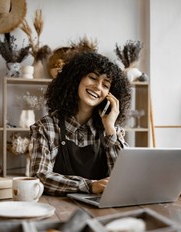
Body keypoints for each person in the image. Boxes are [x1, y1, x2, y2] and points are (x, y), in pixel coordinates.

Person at [29, 51, 131, 196]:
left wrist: (109, 128)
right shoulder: (47, 127)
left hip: (102, 208)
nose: (98, 87)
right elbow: (40, 177)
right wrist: (89, 186)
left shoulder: (112, 130)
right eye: (93, 78)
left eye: (105, 85)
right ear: (76, 79)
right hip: (59, 208)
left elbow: (126, 178)